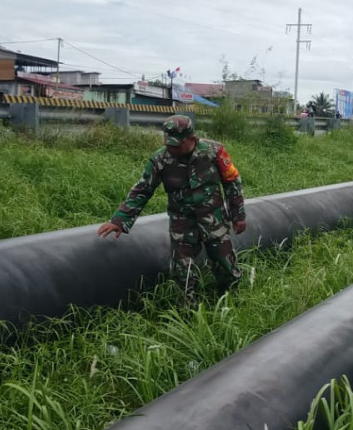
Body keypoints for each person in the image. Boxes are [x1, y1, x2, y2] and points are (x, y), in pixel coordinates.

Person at [97, 115, 247, 301]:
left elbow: (232, 182)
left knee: (226, 268)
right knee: (182, 274)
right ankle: (188, 312)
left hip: (214, 220)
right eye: (168, 143)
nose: (171, 149)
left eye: (176, 145)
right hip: (182, 224)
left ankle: (230, 303)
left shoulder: (214, 151)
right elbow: (142, 190)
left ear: (191, 138)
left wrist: (238, 215)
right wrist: (120, 219)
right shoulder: (160, 159)